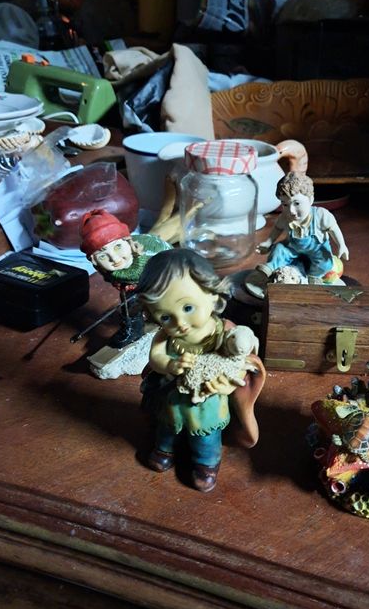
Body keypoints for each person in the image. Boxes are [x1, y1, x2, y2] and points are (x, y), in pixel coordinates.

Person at [136, 248, 266, 493]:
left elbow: (240, 363)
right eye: (165, 317)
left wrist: (227, 383)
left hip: (208, 402)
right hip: (173, 397)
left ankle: (206, 464)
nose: (180, 323)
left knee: (205, 436)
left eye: (187, 308)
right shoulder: (165, 337)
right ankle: (165, 450)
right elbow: (156, 358)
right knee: (167, 427)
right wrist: (170, 365)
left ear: (213, 296)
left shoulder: (224, 332)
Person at [244, 171, 349, 299]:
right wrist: (269, 242)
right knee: (279, 250)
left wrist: (342, 245)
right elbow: (277, 228)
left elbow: (334, 229)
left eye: (297, 203)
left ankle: (314, 276)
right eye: (285, 204)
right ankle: (270, 268)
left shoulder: (321, 215)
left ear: (310, 199)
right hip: (293, 248)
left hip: (317, 249)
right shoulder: (285, 217)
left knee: (326, 262)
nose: (291, 211)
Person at [80, 209, 171, 345]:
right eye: (102, 256)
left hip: (165, 278)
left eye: (117, 247)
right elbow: (116, 281)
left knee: (162, 300)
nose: (115, 259)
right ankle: (133, 329)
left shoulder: (149, 257)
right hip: (132, 286)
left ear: (128, 242)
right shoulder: (108, 270)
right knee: (130, 304)